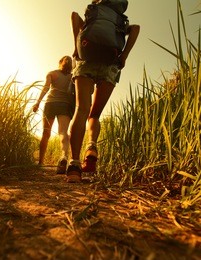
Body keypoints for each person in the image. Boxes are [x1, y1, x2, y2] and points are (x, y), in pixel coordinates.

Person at [66, 0, 140, 183]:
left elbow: (74, 16)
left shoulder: (94, 13)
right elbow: (136, 28)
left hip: (86, 60)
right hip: (110, 64)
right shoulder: (119, 20)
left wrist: (77, 47)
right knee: (95, 115)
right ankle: (91, 146)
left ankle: (74, 166)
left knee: (81, 109)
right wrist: (124, 56)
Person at [33, 55, 74, 174]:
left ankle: (40, 162)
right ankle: (63, 157)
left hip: (50, 104)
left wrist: (37, 102)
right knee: (63, 132)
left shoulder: (52, 73)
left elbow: (46, 88)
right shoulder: (73, 77)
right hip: (64, 105)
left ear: (60, 62)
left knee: (46, 132)